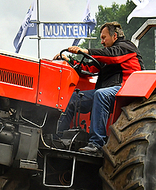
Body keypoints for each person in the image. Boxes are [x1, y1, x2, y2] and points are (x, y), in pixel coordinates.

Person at [55, 21, 144, 156]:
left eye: (104, 37)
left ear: (114, 36)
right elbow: (88, 68)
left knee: (101, 94)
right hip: (108, 92)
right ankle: (57, 137)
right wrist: (69, 60)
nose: (102, 42)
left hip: (127, 91)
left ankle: (97, 143)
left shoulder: (126, 47)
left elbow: (113, 56)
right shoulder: (106, 57)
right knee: (73, 98)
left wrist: (85, 51)